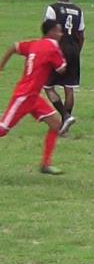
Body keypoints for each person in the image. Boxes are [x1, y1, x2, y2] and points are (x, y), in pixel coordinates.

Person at [0, 20, 68, 175]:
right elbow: (62, 69)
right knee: (2, 129)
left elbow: (13, 47)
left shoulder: (34, 44)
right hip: (24, 95)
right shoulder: (52, 46)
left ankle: (45, 164)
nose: (61, 34)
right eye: (58, 31)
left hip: (33, 96)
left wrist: (1, 66)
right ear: (50, 32)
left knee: (55, 124)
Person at [43, 0, 83, 135]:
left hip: (57, 50)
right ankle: (65, 123)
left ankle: (65, 116)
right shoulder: (78, 10)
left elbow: (48, 31)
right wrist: (77, 50)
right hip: (74, 49)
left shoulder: (52, 9)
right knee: (69, 87)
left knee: (48, 86)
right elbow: (81, 33)